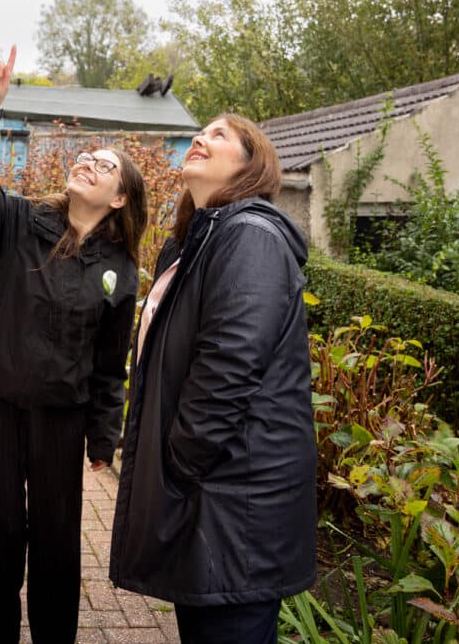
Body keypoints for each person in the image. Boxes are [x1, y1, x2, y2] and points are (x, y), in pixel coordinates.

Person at [0, 45, 148, 644]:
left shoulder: (118, 268)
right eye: (87, 155)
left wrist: (102, 439)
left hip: (61, 423)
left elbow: (110, 366)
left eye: (105, 166)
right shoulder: (20, 222)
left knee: (59, 548)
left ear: (120, 198)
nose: (90, 162)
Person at [109, 114, 317, 644]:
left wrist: (178, 465)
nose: (201, 137)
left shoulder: (250, 235)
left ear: (253, 165)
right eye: (201, 131)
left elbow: (229, 365)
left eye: (220, 134)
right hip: (208, 503)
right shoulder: (191, 244)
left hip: (234, 508)